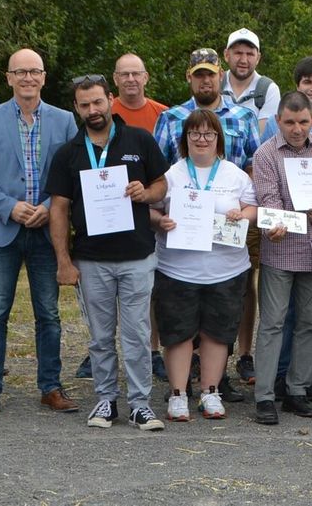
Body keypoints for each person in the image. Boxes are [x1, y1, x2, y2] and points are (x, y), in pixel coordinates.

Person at [47, 75, 170, 431]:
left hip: (137, 256)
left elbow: (162, 183)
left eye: (98, 102)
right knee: (100, 336)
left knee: (136, 332)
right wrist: (64, 261)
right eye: (84, 105)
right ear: (76, 108)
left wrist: (146, 194)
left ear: (110, 100)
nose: (92, 110)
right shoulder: (69, 153)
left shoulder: (139, 139)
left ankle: (140, 404)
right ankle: (104, 400)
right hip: (91, 259)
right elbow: (59, 209)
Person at [0, 49, 79, 418]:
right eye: (20, 72)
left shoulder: (64, 121)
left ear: (44, 77)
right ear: (9, 78)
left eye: (34, 71)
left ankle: (50, 386)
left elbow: (75, 173)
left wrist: (50, 205)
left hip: (48, 230)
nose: (28, 78)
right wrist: (8, 207)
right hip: (4, 230)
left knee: (48, 313)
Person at [156, 46, 260, 396]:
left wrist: (243, 212)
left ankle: (215, 384)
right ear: (190, 77)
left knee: (220, 320)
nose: (205, 80)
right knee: (181, 323)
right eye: (198, 74)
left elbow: (253, 170)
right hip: (180, 248)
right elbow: (157, 178)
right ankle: (181, 387)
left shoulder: (243, 117)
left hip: (224, 244)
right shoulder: (170, 118)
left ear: (221, 76)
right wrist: (160, 218)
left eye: (210, 74)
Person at [251, 92, 312, 425]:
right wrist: (277, 222)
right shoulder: (266, 154)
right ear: (278, 120)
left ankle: (297, 391)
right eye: (290, 122)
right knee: (272, 323)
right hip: (281, 251)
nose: (296, 129)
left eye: (303, 122)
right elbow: (268, 199)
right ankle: (265, 397)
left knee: (310, 323)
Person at [109, 52, 171, 382]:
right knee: (106, 288)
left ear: (146, 77)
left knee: (152, 289)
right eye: (124, 75)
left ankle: (153, 349)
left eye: (137, 74)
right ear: (115, 79)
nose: (131, 80)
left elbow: (165, 170)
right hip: (111, 214)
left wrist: (154, 207)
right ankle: (101, 353)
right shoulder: (105, 114)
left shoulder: (163, 114)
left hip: (153, 212)